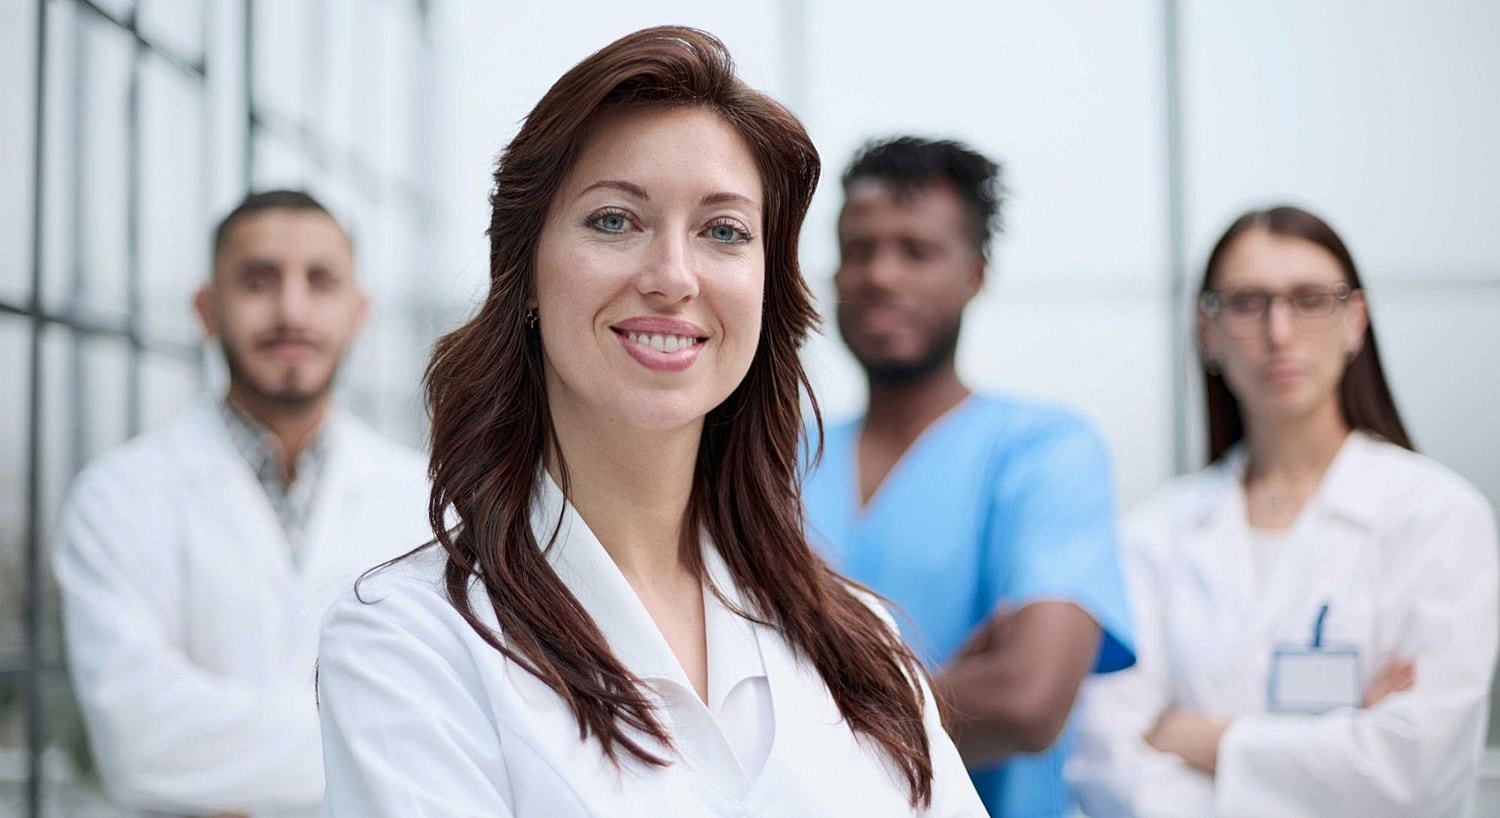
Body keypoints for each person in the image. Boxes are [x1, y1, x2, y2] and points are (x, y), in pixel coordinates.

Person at [314, 26, 986, 818]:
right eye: (614, 220)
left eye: (723, 231)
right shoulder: (410, 642)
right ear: (523, 273)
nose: (672, 276)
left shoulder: (860, 645)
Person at [1068, 205, 1499, 818]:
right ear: (1208, 332)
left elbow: (1413, 771)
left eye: (1310, 300)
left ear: (1356, 321)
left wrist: (1200, 738)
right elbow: (1105, 763)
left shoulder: (1439, 517)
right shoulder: (1153, 534)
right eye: (1247, 303)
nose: (1279, 332)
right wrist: (1334, 750)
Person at [52, 190, 431, 817]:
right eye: (258, 282)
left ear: (357, 311)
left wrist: (230, 753)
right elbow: (139, 742)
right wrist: (377, 740)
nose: (291, 310)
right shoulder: (118, 496)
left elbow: (458, 719)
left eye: (320, 281)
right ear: (207, 309)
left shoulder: (424, 500)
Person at [800, 136, 1136, 818]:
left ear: (975, 274)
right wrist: (946, 686)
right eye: (858, 249)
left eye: (916, 250)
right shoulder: (776, 460)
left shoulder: (1046, 451)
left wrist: (800, 719)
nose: (880, 274)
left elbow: (1027, 702)